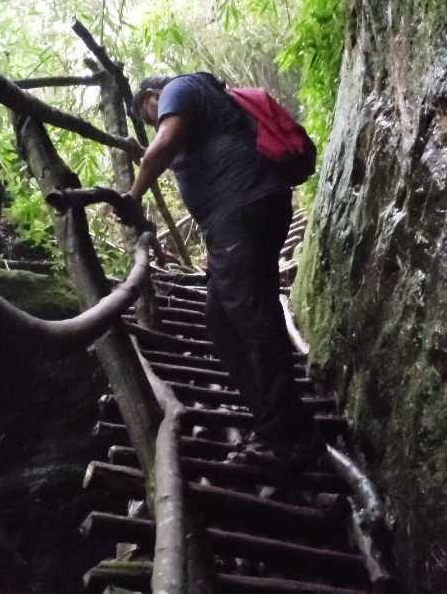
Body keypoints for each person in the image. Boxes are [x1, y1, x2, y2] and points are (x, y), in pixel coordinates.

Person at [124, 72, 322, 470]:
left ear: (150, 96)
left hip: (239, 211)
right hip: (246, 210)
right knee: (222, 322)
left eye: (150, 116)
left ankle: (289, 440)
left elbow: (162, 145)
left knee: (252, 320)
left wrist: (132, 197)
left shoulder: (178, 90)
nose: (155, 121)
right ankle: (280, 423)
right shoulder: (206, 99)